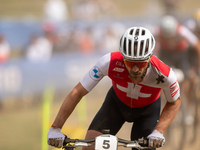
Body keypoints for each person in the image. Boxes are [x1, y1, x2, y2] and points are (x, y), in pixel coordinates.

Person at [47, 27, 181, 150]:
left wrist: (159, 131)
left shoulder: (164, 74)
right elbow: (77, 92)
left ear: (150, 58)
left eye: (140, 64)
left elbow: (174, 102)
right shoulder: (108, 62)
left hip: (147, 112)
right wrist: (56, 127)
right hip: (115, 106)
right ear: (123, 58)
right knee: (89, 147)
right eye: (129, 62)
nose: (135, 69)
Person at [154, 15, 200, 124]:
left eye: (171, 37)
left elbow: (197, 46)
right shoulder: (157, 31)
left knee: (187, 79)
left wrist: (197, 65)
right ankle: (164, 106)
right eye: (167, 37)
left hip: (181, 55)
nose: (169, 40)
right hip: (166, 55)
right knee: (161, 79)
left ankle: (188, 109)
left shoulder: (182, 30)